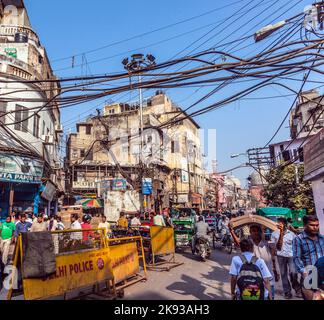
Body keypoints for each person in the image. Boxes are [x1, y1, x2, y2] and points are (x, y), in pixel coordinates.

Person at [229, 223, 278, 300]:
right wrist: (231, 231)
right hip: (251, 288)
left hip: (256, 287)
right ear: (250, 233)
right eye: (253, 231)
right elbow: (266, 280)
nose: (255, 233)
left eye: (257, 231)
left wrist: (232, 293)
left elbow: (278, 249)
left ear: (260, 232)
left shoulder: (268, 244)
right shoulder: (249, 244)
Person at [293, 215, 324, 300]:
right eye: (312, 225)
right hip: (309, 277)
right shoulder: (298, 239)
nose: (315, 227)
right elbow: (296, 258)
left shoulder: (322, 238)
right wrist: (304, 273)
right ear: (305, 225)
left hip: (321, 276)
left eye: (317, 225)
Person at [271, 217, 300, 299]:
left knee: (293, 272)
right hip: (280, 256)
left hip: (291, 256)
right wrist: (280, 233)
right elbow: (277, 247)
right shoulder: (274, 234)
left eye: (281, 223)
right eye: (278, 223)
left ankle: (296, 287)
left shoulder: (291, 234)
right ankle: (287, 292)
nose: (279, 224)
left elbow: (296, 245)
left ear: (285, 224)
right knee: (283, 274)